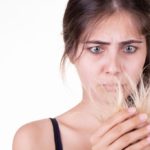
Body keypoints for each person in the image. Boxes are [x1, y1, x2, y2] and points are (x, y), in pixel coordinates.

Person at [13, 0, 150, 149]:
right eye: (96, 49)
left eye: (129, 48)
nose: (113, 67)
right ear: (71, 51)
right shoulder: (36, 139)